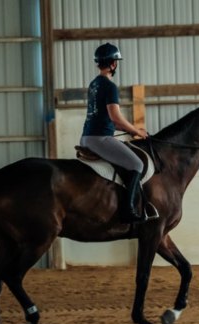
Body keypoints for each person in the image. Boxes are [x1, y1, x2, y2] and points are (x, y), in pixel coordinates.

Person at [80, 43, 148, 224]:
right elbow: (116, 118)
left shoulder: (93, 84)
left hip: (87, 137)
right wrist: (138, 132)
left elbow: (107, 120)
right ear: (114, 64)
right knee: (137, 164)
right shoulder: (110, 86)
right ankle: (128, 211)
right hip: (99, 139)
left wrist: (128, 130)